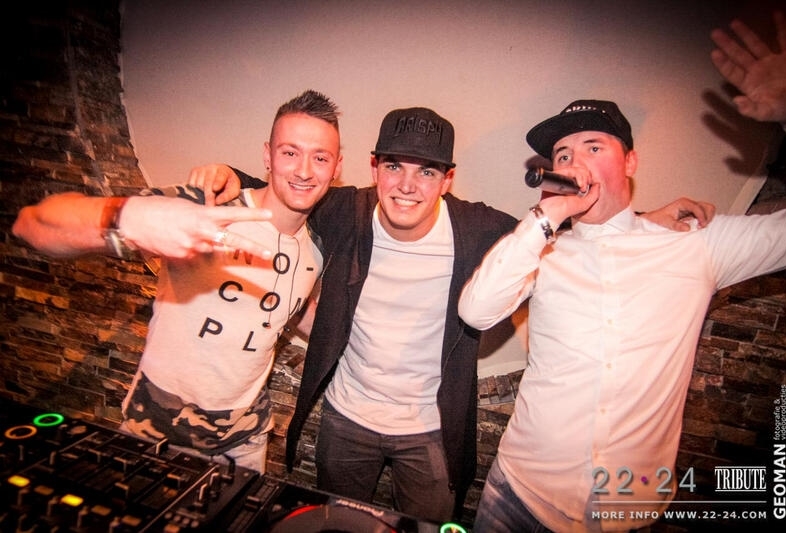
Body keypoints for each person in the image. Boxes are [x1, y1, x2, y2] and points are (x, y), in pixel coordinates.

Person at [189, 111, 712, 522]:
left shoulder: (480, 229)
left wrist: (640, 220)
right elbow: (287, 189)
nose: (407, 184)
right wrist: (229, 175)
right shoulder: (346, 210)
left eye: (427, 171)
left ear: (447, 179)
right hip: (346, 419)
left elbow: (563, 233)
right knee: (338, 524)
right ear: (373, 169)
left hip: (431, 431)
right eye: (394, 166)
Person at [458, 12, 786, 532]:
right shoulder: (542, 250)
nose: (575, 162)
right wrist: (546, 217)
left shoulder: (695, 242)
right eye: (563, 154)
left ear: (631, 162)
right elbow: (476, 312)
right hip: (518, 496)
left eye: (594, 148)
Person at [11, 89, 343, 474]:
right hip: (157, 432)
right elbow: (32, 225)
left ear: (336, 167)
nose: (304, 171)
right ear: (267, 156)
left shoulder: (316, 250)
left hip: (245, 443)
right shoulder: (205, 207)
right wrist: (128, 218)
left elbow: (290, 306)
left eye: (320, 157)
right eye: (290, 152)